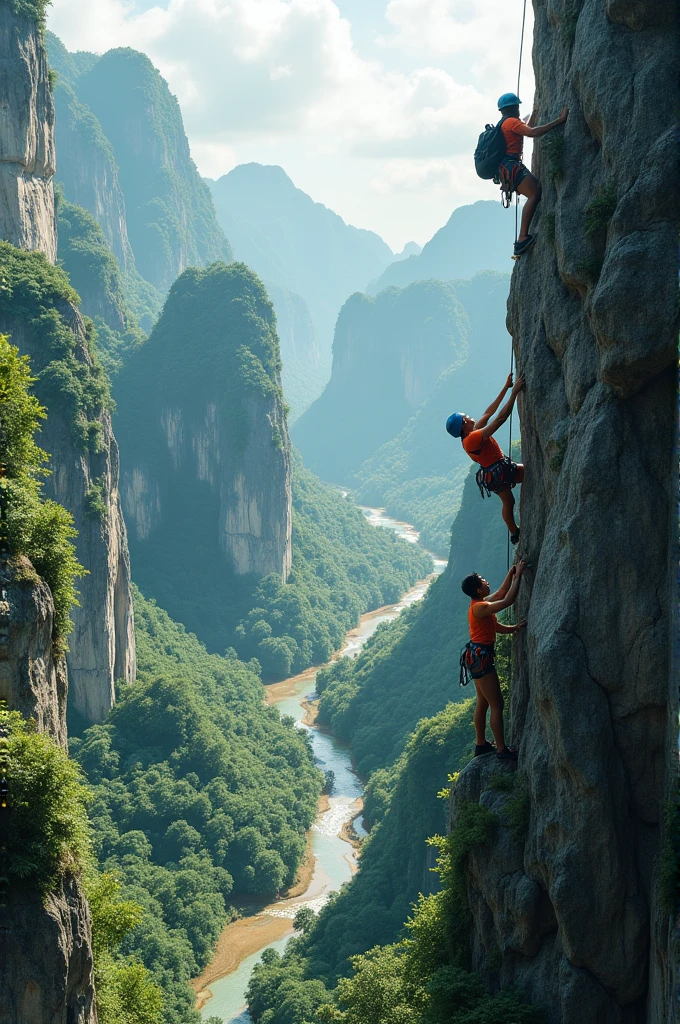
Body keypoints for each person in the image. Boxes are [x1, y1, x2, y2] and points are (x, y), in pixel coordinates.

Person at [446, 372, 525, 544]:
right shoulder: (471, 439)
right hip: (498, 472)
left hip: (495, 473)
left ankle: (514, 532)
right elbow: (500, 419)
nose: (470, 417)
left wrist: (506, 387)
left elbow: (489, 411)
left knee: (509, 500)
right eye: (466, 418)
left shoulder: (471, 434)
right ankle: (514, 532)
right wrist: (514, 394)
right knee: (514, 492)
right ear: (463, 426)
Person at [461, 562, 527, 760]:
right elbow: (507, 600)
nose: (487, 582)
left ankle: (481, 745)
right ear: (479, 589)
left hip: (476, 656)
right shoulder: (480, 607)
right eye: (484, 581)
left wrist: (511, 572)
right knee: (497, 704)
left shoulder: (479, 604)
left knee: (483, 702)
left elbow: (499, 596)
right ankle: (501, 750)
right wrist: (517, 577)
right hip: (481, 658)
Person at [495, 91, 568, 257]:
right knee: (535, 193)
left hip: (508, 167)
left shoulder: (505, 123)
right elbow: (533, 132)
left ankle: (522, 238)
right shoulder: (512, 122)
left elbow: (527, 127)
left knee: (535, 190)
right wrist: (559, 121)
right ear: (514, 107)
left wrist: (534, 113)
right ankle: (522, 238)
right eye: (517, 106)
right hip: (511, 167)